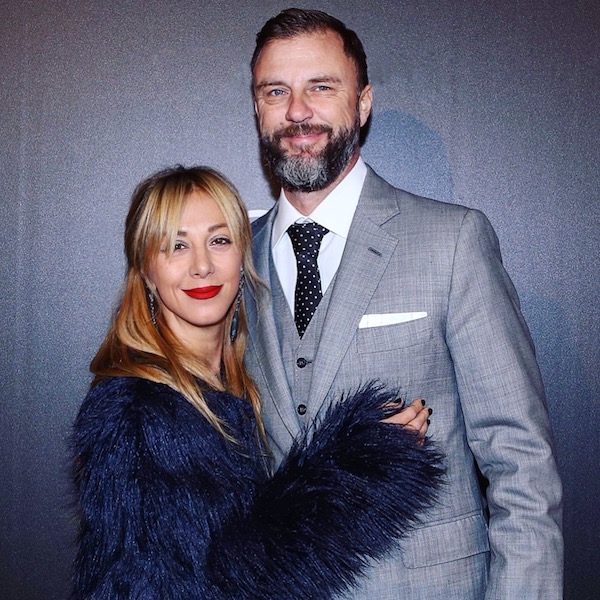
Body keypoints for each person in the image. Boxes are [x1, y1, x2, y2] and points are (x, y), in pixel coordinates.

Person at [245, 8, 563, 599]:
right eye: (276, 91)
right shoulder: (231, 261)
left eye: (321, 87)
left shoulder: (452, 241)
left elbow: (520, 463)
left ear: (363, 102)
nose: (297, 111)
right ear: (258, 107)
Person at [71, 165, 444, 599]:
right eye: (176, 246)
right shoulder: (136, 410)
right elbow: (218, 583)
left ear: (243, 254)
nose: (202, 266)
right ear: (146, 270)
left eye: (219, 240)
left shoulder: (229, 386)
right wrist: (363, 469)